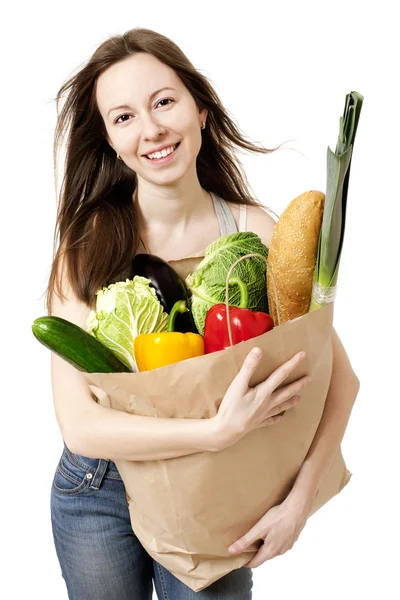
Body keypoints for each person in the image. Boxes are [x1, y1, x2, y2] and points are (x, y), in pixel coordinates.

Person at [46, 27, 359, 600]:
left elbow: (340, 380)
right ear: (111, 142)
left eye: (163, 102)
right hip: (100, 490)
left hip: (216, 491)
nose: (151, 129)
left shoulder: (253, 232)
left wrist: (298, 506)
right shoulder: (84, 247)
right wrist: (215, 431)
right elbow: (81, 427)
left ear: (202, 110)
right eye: (123, 117)